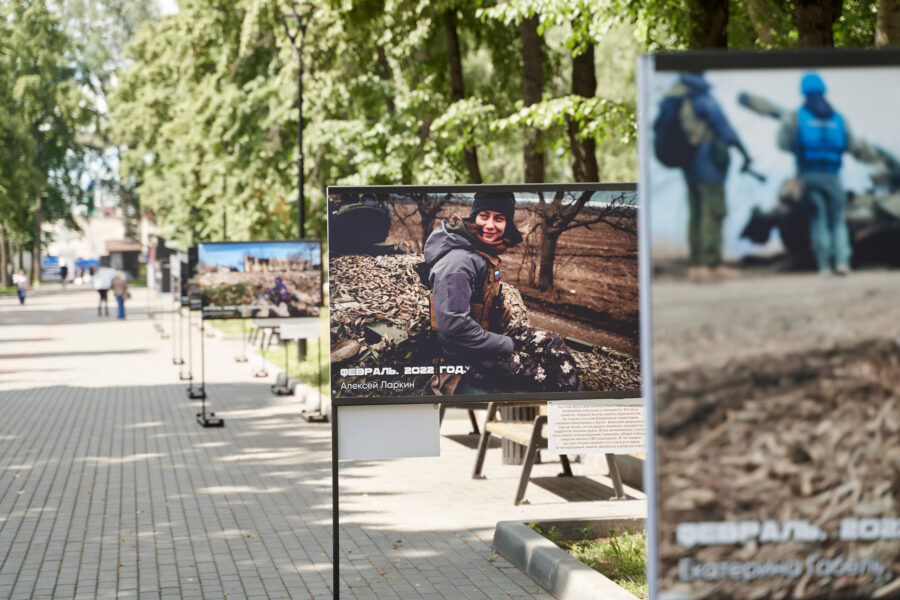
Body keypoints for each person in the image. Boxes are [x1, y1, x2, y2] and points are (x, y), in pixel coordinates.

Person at [655, 72, 753, 282]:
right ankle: (712, 265)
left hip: (689, 165)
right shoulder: (702, 99)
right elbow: (725, 128)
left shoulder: (676, 97)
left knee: (696, 214)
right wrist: (745, 153)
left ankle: (697, 266)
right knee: (714, 212)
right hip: (709, 165)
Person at [777, 72, 877, 276]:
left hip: (809, 176)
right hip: (834, 177)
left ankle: (824, 266)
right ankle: (842, 262)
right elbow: (852, 145)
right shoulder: (839, 118)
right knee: (838, 220)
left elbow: (782, 143)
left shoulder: (796, 116)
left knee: (818, 220)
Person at [423, 192, 523, 366]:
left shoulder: (482, 252)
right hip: (464, 356)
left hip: (481, 342)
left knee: (550, 341)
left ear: (507, 224)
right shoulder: (459, 264)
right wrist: (506, 344)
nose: (490, 225)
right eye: (484, 216)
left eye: (499, 218)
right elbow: (454, 328)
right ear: (473, 218)